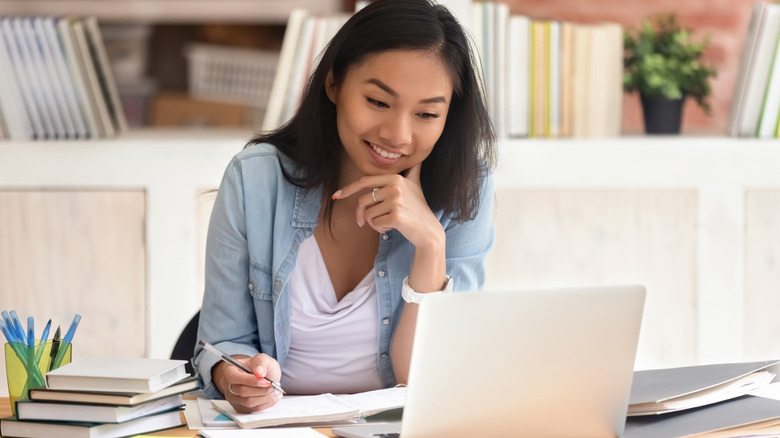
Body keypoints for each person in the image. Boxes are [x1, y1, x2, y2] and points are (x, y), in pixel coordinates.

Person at [192, 0, 496, 414]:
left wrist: (431, 246)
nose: (398, 135)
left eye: (426, 113)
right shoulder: (256, 180)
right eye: (377, 102)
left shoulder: (466, 188)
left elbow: (426, 381)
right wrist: (239, 376)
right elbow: (221, 343)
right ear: (333, 84)